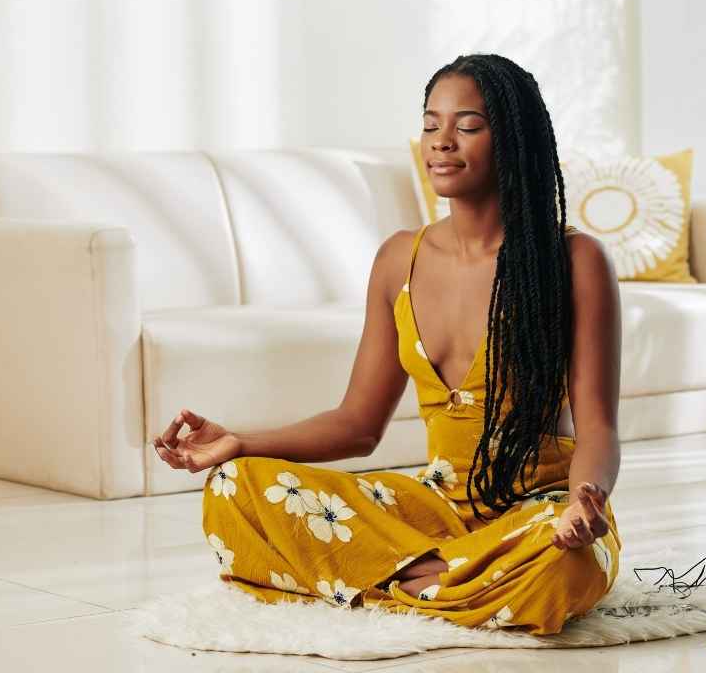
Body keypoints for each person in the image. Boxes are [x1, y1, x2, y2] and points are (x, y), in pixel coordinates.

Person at [150, 53, 623, 636]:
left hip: (537, 511)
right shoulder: (399, 258)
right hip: (431, 508)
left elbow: (598, 425)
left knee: (564, 566)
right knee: (234, 488)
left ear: (515, 139)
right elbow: (357, 424)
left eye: (468, 125)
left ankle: (394, 578)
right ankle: (450, 583)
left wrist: (585, 501)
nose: (442, 142)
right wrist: (241, 441)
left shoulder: (575, 261)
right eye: (430, 125)